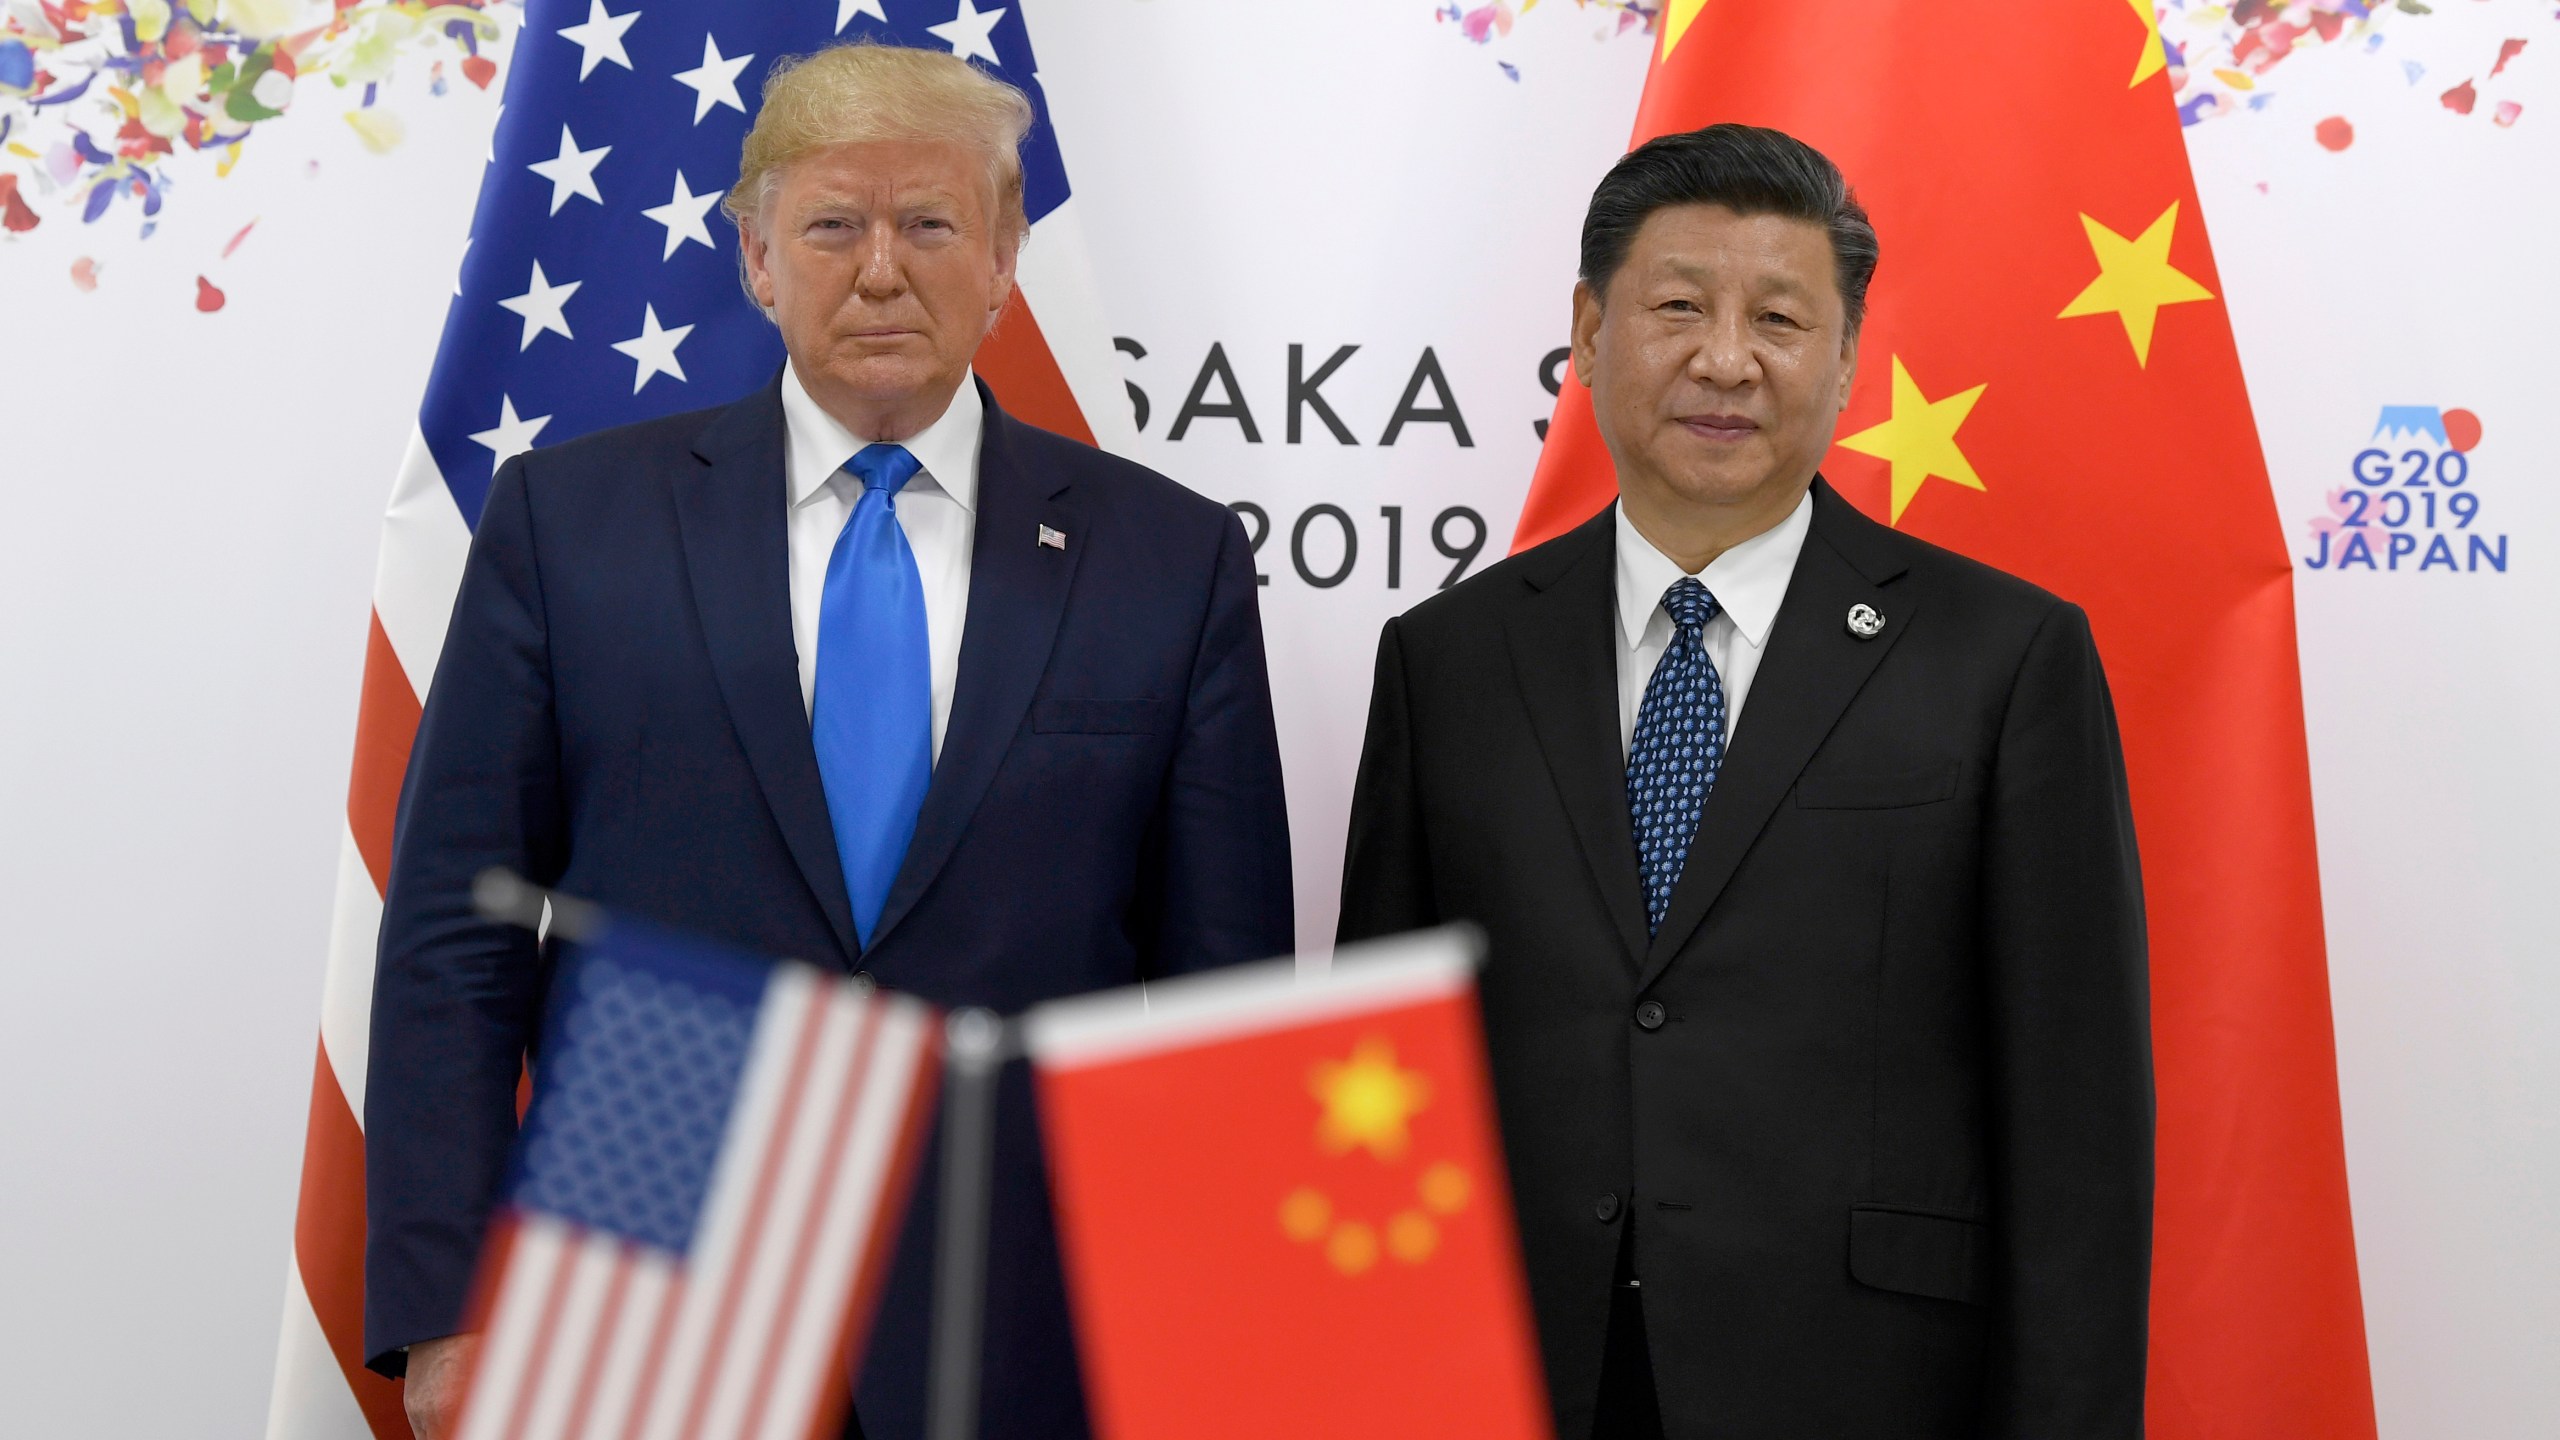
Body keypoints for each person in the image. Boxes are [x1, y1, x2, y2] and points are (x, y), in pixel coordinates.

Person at [364, 44, 1294, 1440]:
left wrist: (1218, 1320)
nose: (880, 271)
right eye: (831, 226)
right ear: (753, 255)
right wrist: (447, 1303)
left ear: (1003, 255)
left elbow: (1226, 993)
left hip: (1029, 1319)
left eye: (929, 224)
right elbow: (453, 928)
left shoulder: (1170, 558)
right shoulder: (569, 526)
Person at [1337, 124, 2153, 1440]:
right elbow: (1377, 1080)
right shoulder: (1450, 660)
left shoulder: (2004, 659)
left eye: (1779, 316)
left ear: (1844, 362)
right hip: (1516, 1376)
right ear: (1591, 331)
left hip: (1868, 1382)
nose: (1725, 359)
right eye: (1677, 307)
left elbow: (2078, 1130)